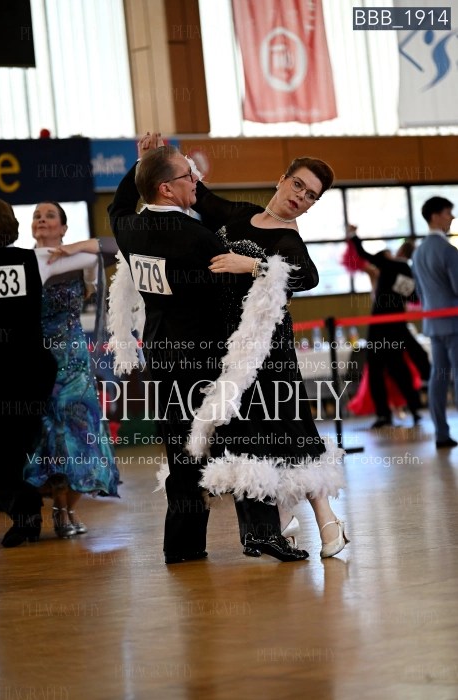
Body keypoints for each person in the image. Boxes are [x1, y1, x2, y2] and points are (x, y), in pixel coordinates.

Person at [107, 134, 308, 564]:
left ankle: (182, 545)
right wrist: (258, 270)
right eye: (187, 175)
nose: (195, 180)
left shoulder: (130, 228)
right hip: (208, 361)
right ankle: (260, 535)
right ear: (166, 188)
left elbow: (118, 205)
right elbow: (231, 296)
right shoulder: (197, 237)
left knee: (181, 452)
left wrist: (141, 163)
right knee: (244, 442)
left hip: (161, 357)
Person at [186, 154, 348, 558]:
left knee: (293, 431)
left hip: (270, 350)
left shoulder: (288, 241)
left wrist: (253, 265)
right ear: (282, 180)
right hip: (229, 349)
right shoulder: (241, 213)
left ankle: (328, 522)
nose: (300, 197)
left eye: (310, 196)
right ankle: (279, 518)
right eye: (298, 185)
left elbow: (308, 276)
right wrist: (159, 159)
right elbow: (200, 196)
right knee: (254, 437)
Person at [22, 202, 120, 539]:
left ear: (63, 227)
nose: (42, 219)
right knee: (48, 433)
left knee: (78, 432)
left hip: (75, 363)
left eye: (50, 215)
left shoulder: (81, 260)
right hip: (37, 362)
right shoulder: (22, 262)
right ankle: (56, 509)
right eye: (37, 216)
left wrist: (74, 247)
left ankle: (69, 510)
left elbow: (116, 246)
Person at [346, 235, 430, 421]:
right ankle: (414, 409)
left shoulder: (389, 264)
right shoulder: (406, 270)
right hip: (396, 327)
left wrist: (353, 237)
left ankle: (383, 415)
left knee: (376, 371)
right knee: (399, 369)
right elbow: (414, 298)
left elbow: (364, 254)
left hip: (379, 327)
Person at [412, 196, 458, 449]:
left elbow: (419, 293)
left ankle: (441, 433)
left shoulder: (418, 252)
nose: (452, 217)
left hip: (433, 323)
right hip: (454, 321)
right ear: (436, 216)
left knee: (438, 377)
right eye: (448, 212)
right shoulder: (448, 251)